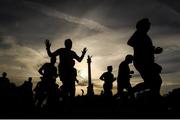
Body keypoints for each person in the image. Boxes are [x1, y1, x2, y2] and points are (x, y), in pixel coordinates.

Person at [127, 18, 163, 95]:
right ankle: (130, 94)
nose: (149, 25)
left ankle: (153, 97)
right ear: (142, 26)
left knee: (154, 82)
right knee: (154, 82)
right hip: (143, 62)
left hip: (147, 62)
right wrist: (148, 49)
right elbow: (130, 42)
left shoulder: (145, 36)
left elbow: (147, 49)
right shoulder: (139, 33)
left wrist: (154, 51)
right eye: (147, 24)